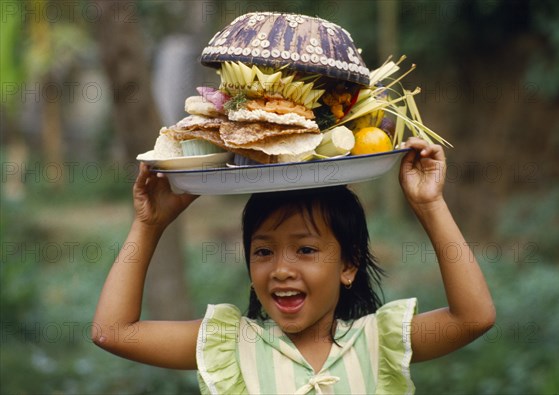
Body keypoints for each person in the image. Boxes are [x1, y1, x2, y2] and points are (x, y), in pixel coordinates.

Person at [92, 137, 495, 394]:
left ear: (349, 265)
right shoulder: (231, 345)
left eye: (305, 250)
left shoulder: (377, 341)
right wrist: (149, 225)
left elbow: (473, 318)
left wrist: (430, 205)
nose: (281, 269)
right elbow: (113, 332)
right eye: (264, 252)